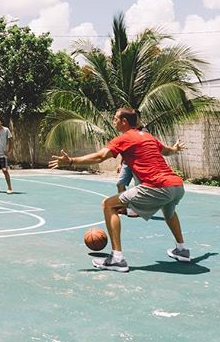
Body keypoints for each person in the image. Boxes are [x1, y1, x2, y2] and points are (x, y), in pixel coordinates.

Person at [49, 108, 188, 272]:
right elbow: (166, 151)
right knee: (169, 210)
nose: (113, 121)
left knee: (109, 205)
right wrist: (175, 149)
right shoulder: (148, 136)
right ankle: (182, 250)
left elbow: (100, 156)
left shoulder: (125, 138)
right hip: (176, 185)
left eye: (115, 118)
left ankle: (117, 258)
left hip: (156, 186)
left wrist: (71, 161)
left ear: (124, 122)